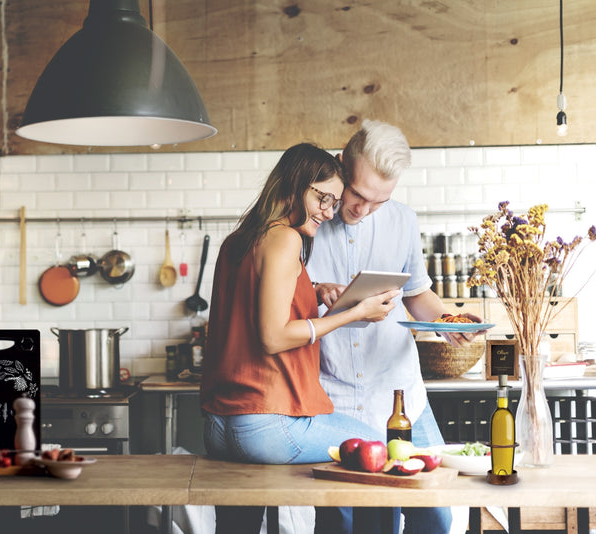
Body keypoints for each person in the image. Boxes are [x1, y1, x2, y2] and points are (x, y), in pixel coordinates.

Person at [199, 142, 403, 534]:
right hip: (265, 423)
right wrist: (354, 313)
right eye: (322, 198)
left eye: (334, 201)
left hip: (219, 426)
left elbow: (257, 303)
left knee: (239, 523)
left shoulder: (239, 240)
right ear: (293, 186)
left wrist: (315, 290)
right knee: (378, 448)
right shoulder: (285, 238)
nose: (329, 212)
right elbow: (273, 337)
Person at [307, 119, 480, 534]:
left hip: (401, 397)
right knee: (342, 524)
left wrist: (447, 323)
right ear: (339, 167)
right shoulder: (306, 222)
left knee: (435, 515)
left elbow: (418, 296)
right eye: (357, 195)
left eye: (378, 201)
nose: (362, 209)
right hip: (332, 401)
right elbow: (282, 298)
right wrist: (316, 289)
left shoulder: (402, 221)